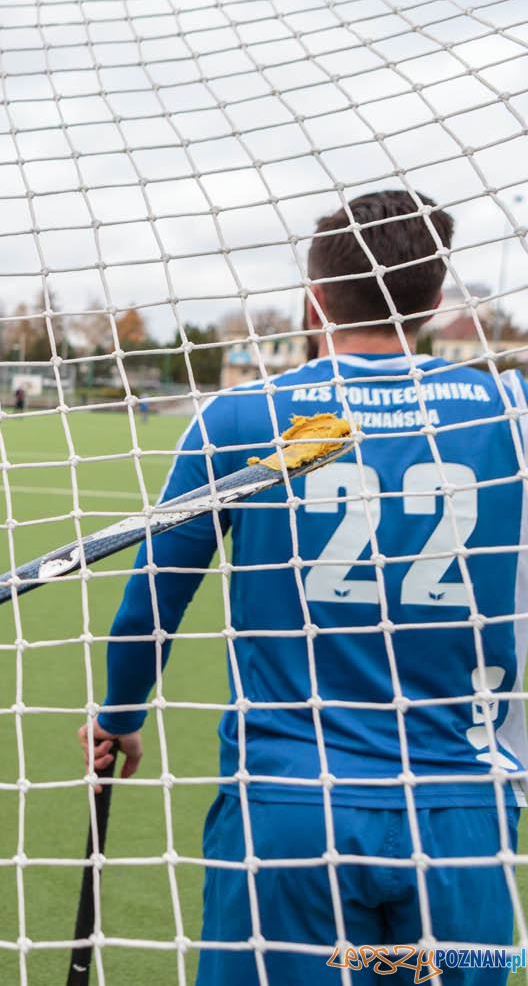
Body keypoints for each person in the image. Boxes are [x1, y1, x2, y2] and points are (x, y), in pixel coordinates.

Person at [78, 190, 527, 985]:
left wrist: (119, 715)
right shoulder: (512, 412)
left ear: (314, 300)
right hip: (463, 818)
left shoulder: (244, 416)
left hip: (290, 812)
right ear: (434, 297)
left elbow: (152, 600)